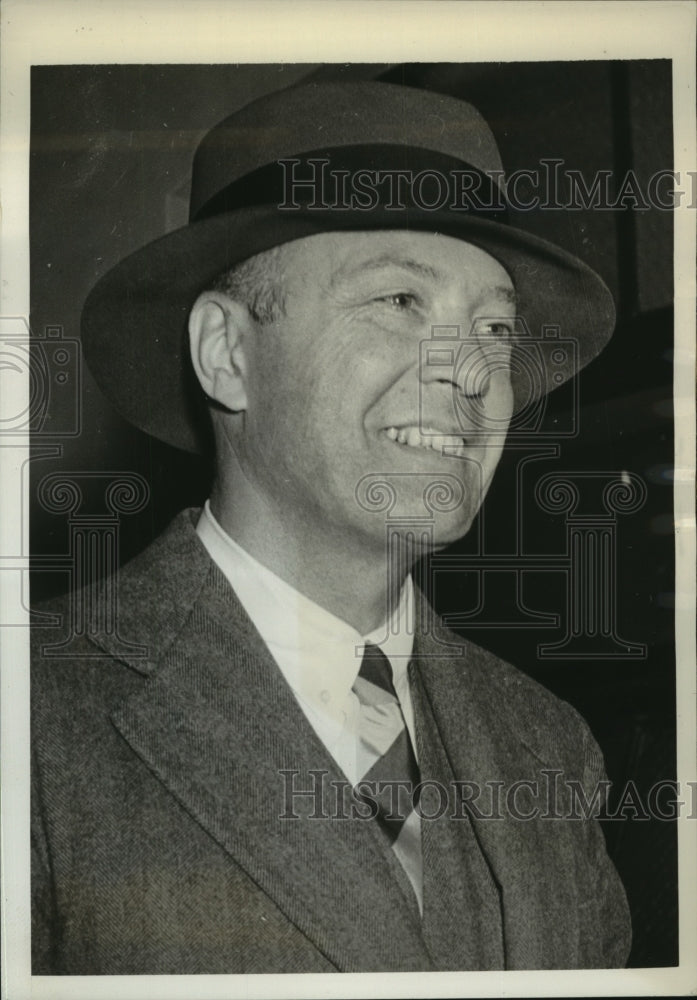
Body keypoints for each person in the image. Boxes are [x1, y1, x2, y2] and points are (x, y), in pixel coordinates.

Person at [31, 79, 631, 974]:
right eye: (398, 302)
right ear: (228, 355)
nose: (470, 373)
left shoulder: (547, 744)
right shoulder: (33, 721)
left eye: (496, 327)